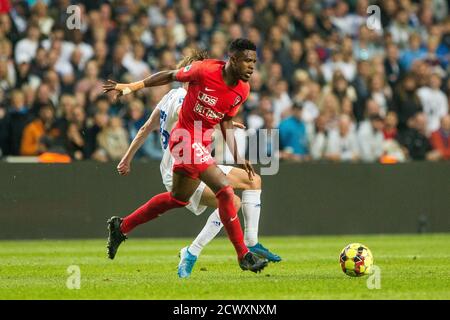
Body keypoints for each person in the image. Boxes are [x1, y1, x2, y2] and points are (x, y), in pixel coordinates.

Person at [103, 39, 269, 273]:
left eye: (254, 61)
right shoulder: (204, 70)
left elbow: (226, 120)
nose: (252, 66)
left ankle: (122, 226)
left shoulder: (242, 90)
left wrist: (237, 155)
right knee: (225, 191)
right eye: (247, 61)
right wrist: (132, 86)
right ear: (233, 60)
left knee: (178, 198)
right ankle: (244, 255)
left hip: (197, 147)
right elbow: (170, 75)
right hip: (183, 139)